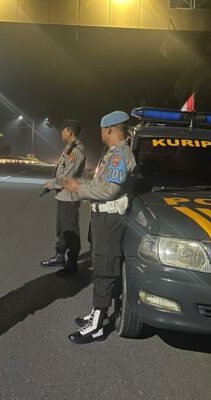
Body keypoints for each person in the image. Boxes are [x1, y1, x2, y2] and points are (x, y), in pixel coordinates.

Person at [62, 110, 136, 344]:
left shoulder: (120, 154)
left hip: (110, 220)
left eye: (102, 129)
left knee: (105, 268)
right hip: (103, 218)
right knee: (100, 265)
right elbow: (102, 184)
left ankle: (96, 325)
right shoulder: (113, 153)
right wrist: (82, 184)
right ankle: (97, 311)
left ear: (109, 129)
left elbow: (109, 191)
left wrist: (78, 189)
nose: (101, 133)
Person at [40, 119, 86, 276]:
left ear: (70, 132)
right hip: (62, 196)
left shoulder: (76, 151)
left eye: (63, 130)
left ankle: (72, 265)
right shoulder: (69, 148)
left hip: (70, 197)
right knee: (62, 230)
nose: (61, 133)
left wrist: (52, 183)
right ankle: (60, 257)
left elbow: (68, 176)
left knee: (70, 231)